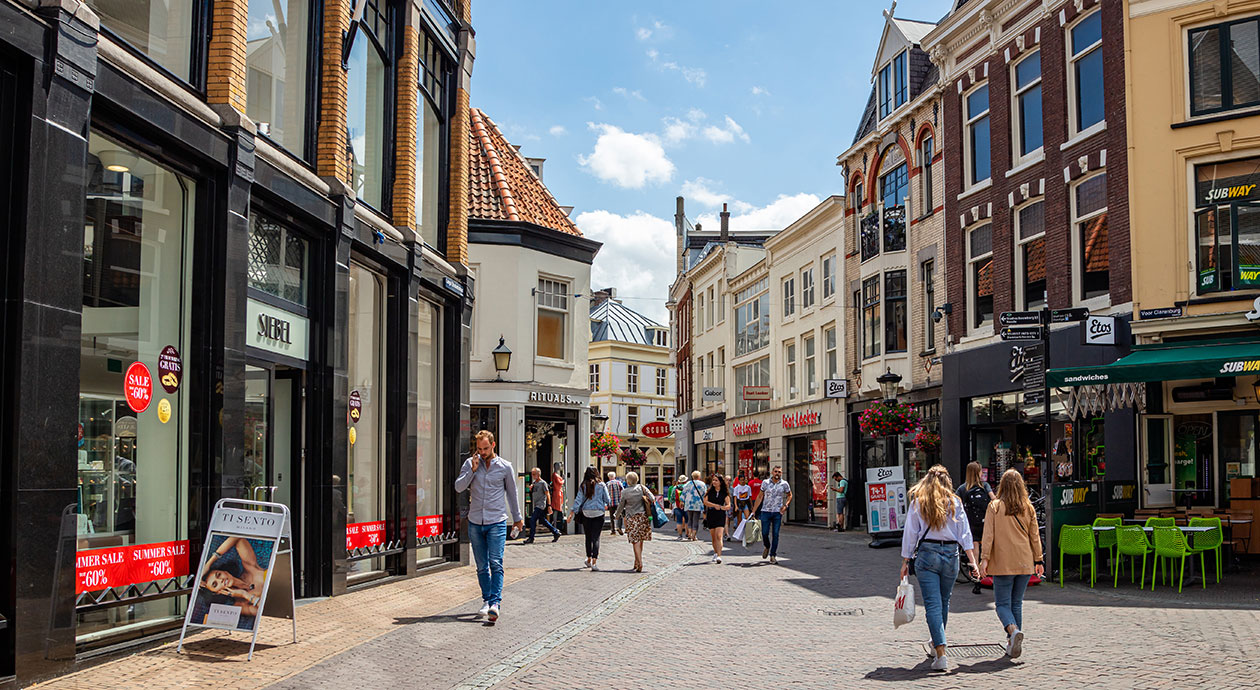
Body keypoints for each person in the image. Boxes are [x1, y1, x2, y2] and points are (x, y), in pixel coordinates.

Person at [899, 464, 979, 672]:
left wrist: (906, 561)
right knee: (944, 602)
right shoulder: (955, 503)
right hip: (951, 555)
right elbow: (965, 534)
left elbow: (911, 533)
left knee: (933, 604)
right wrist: (973, 562)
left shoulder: (919, 502)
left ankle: (940, 651)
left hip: (927, 554)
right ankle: (937, 646)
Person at [454, 430, 523, 623]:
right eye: (479, 449)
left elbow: (512, 493)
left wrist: (517, 519)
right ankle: (486, 600)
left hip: (497, 522)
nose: (482, 452)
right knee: (482, 566)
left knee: (496, 563)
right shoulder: (470, 464)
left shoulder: (505, 467)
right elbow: (458, 487)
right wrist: (473, 470)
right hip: (475, 521)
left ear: (493, 445)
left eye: (485, 448)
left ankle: (495, 604)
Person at [979, 469, 1045, 660]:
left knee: (1001, 604)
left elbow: (988, 535)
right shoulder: (1028, 507)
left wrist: (984, 559)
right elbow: (1035, 535)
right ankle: (1012, 643)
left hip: (1003, 562)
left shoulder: (995, 507)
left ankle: (1013, 631)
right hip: (1024, 561)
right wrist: (1038, 559)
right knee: (1016, 603)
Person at [200, 537, 268, 617]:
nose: (221, 580)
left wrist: (209, 563)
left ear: (225, 571)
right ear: (217, 592)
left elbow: (237, 538)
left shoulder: (250, 567)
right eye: (215, 584)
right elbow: (267, 613)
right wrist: (245, 594)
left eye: (218, 575)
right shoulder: (241, 605)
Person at [568, 467, 610, 570]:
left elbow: (578, 500)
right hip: (599, 513)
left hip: (586, 513)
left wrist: (572, 513)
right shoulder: (601, 485)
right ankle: (594, 562)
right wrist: (604, 504)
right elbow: (608, 499)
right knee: (596, 538)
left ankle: (589, 559)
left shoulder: (583, 485)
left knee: (588, 537)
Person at [614, 471, 655, 572]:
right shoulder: (642, 488)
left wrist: (616, 515)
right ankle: (636, 562)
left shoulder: (625, 492)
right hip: (643, 517)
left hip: (631, 518)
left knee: (635, 541)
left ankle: (639, 562)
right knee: (640, 540)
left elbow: (621, 506)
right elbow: (652, 498)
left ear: (628, 481)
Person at [750, 466, 791, 564]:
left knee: (776, 534)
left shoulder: (784, 484)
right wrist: (754, 511)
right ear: (772, 472)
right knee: (764, 533)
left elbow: (790, 495)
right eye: (776, 471)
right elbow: (760, 496)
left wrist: (786, 505)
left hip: (778, 512)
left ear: (781, 473)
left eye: (779, 472)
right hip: (765, 511)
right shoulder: (765, 483)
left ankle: (773, 555)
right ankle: (767, 546)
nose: (777, 473)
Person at [957, 462, 995, 563]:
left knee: (974, 545)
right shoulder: (985, 485)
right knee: (987, 545)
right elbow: (994, 500)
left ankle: (975, 571)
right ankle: (986, 569)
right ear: (978, 472)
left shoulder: (962, 488)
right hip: (984, 520)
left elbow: (955, 503)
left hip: (970, 521)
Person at [522, 467, 561, 544]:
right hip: (536, 504)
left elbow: (547, 494)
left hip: (540, 505)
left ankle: (531, 538)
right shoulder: (534, 483)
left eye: (534, 474)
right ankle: (556, 532)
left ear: (538, 474)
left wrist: (549, 505)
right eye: (532, 474)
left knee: (532, 520)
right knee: (543, 521)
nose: (533, 476)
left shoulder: (543, 483)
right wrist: (530, 490)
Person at [703, 474, 731, 563]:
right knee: (713, 537)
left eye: (716, 480)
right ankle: (715, 552)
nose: (714, 482)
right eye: (713, 480)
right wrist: (714, 505)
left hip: (720, 515)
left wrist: (722, 507)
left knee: (719, 536)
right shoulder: (710, 491)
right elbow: (705, 502)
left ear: (720, 482)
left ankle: (719, 555)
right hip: (711, 514)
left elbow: (728, 505)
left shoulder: (724, 493)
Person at [681, 471, 707, 541]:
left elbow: (683, 494)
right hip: (697, 504)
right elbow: (705, 494)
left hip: (689, 504)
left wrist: (682, 502)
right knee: (696, 520)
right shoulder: (702, 484)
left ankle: (689, 534)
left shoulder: (688, 484)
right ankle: (694, 535)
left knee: (690, 519)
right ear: (699, 476)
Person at [606, 471, 625, 536]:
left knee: (611, 517)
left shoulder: (607, 484)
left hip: (611, 503)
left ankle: (613, 530)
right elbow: (623, 491)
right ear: (614, 476)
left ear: (609, 477)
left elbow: (606, 494)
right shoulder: (618, 482)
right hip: (619, 502)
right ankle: (619, 527)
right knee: (619, 515)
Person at [669, 475, 687, 540]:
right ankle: (688, 535)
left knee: (679, 521)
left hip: (677, 505)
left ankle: (680, 535)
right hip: (686, 505)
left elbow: (672, 498)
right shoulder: (687, 487)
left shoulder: (675, 488)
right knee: (687, 520)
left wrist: (672, 504)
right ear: (685, 481)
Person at [551, 467, 567, 535]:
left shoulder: (555, 475)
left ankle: (556, 524)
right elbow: (560, 482)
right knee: (556, 509)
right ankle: (555, 525)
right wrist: (564, 479)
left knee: (557, 509)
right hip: (557, 494)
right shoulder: (555, 475)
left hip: (558, 493)